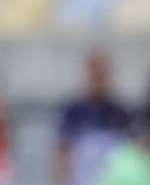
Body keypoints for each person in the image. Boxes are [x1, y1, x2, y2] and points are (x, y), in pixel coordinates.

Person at [54, 54, 133, 185]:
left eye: (101, 76)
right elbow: (60, 150)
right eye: (94, 76)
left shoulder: (119, 111)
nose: (97, 82)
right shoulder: (73, 110)